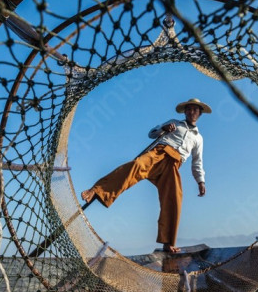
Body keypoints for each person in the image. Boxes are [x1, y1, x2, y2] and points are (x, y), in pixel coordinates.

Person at [81, 97, 210, 253]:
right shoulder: (175, 122)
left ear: (200, 113)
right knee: (135, 166)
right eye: (189, 109)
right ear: (185, 111)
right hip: (158, 153)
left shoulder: (198, 138)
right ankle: (98, 190)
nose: (191, 112)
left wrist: (200, 181)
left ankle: (168, 243)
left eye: (195, 110)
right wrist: (164, 128)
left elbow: (197, 162)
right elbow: (152, 133)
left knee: (175, 198)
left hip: (174, 165)